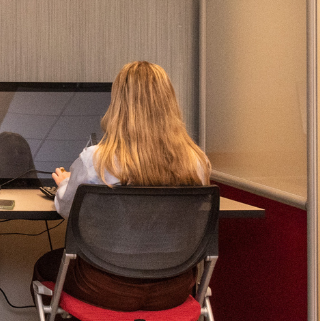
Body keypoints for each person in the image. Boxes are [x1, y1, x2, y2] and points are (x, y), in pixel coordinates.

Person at [33, 60, 213, 312]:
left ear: (119, 105)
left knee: (44, 265)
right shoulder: (196, 161)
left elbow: (66, 210)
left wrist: (64, 185)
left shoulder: (96, 159)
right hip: (174, 288)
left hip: (104, 289)